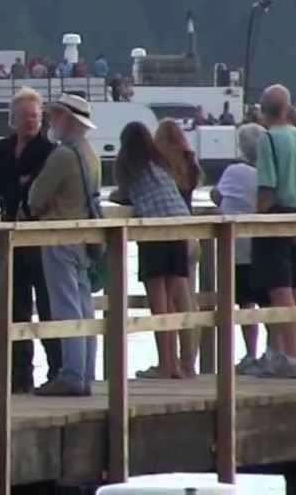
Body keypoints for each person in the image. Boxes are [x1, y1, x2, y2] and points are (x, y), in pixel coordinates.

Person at [0, 88, 61, 393]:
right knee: (14, 307)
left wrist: (13, 187)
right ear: (12, 120)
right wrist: (18, 184)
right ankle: (19, 378)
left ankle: (57, 371)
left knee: (48, 305)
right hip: (8, 235)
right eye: (24, 116)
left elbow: (42, 192)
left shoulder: (49, 151)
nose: (30, 122)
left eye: (35, 117)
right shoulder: (3, 148)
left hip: (39, 236)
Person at [28, 93, 101, 396]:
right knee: (84, 306)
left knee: (65, 307)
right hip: (84, 237)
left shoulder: (62, 155)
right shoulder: (91, 154)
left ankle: (71, 374)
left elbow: (35, 199)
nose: (50, 121)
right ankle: (85, 373)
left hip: (59, 237)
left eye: (55, 115)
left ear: (68, 120)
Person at [110, 122, 193, 379]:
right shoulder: (161, 164)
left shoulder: (130, 168)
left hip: (156, 233)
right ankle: (176, 365)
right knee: (172, 302)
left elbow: (124, 195)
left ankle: (165, 365)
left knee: (159, 304)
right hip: (181, 228)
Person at [252, 85, 296, 378]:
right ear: (288, 109)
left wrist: (257, 218)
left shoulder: (269, 140)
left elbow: (267, 186)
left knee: (280, 290)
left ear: (264, 111)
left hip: (278, 218)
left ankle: (288, 357)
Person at [213, 124, 265, 375]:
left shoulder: (233, 170)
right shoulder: (266, 173)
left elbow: (216, 195)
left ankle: (250, 353)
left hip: (237, 245)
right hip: (264, 245)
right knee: (269, 301)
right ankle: (276, 350)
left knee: (245, 303)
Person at [153, 118, 203, 375]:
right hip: (191, 235)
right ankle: (188, 360)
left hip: (171, 236)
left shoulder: (161, 165)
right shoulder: (190, 162)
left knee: (173, 301)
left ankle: (176, 362)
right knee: (188, 301)